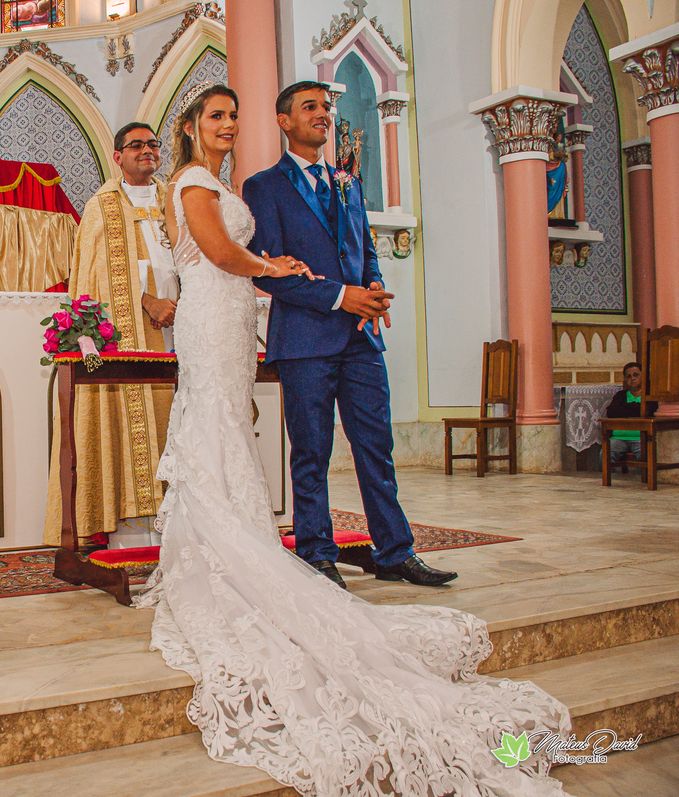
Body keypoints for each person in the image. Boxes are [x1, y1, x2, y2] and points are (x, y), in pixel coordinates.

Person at [137, 81, 573, 794]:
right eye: (215, 116)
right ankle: (300, 554)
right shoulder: (237, 184)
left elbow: (358, 243)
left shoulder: (330, 178)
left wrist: (367, 293)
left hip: (305, 328)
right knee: (273, 444)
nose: (225, 125)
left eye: (230, 116)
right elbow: (228, 253)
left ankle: (390, 550)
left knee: (352, 447)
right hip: (275, 324)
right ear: (192, 125)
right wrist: (290, 275)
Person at [243, 80, 455, 591]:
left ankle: (395, 552)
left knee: (376, 448)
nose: (323, 115)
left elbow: (365, 249)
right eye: (309, 107)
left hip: (361, 339)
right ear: (284, 121)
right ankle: (317, 554)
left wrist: (375, 284)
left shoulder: (348, 183)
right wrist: (343, 296)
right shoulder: (262, 187)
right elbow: (267, 268)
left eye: (326, 107)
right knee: (312, 453)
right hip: (306, 340)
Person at [44, 122, 178, 549]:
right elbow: (95, 278)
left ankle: (185, 522)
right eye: (135, 145)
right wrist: (147, 302)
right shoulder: (101, 206)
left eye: (153, 144)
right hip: (134, 335)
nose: (146, 151)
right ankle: (132, 529)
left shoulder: (173, 199)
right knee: (136, 423)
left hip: (185, 329)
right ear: (117, 156)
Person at [604, 361, 657, 462]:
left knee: (646, 457)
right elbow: (612, 412)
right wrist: (637, 409)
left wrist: (626, 408)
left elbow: (649, 411)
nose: (632, 378)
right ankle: (612, 478)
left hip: (640, 439)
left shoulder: (650, 396)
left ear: (643, 376)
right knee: (605, 455)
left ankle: (642, 478)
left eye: (636, 375)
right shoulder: (621, 395)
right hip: (618, 438)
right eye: (628, 376)